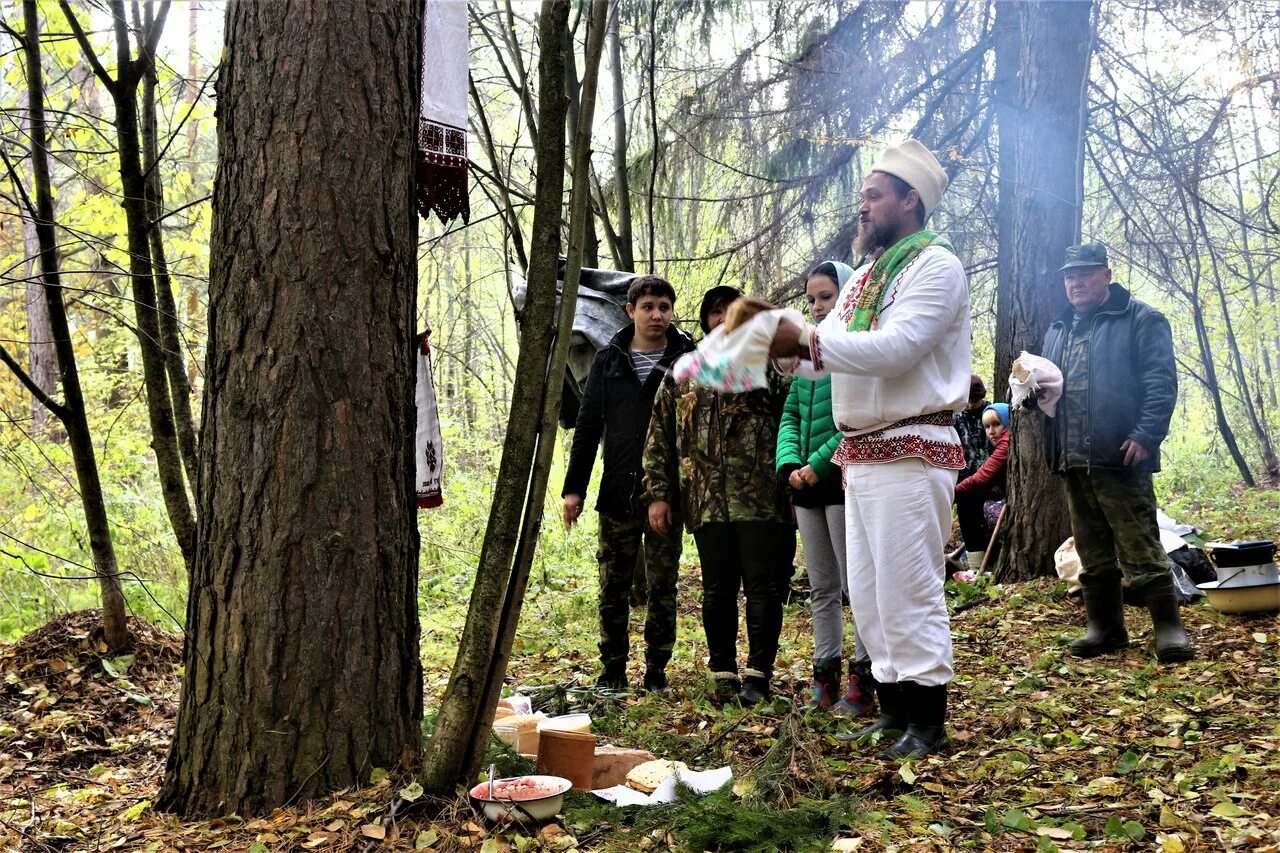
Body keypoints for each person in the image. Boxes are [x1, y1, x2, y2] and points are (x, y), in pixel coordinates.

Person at [769, 139, 970, 758]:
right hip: (862, 454)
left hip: (911, 447)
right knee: (870, 588)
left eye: (874, 196)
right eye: (863, 196)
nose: (863, 207)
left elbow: (900, 347)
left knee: (909, 585)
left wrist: (806, 343)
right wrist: (771, 343)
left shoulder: (937, 267)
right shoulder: (863, 282)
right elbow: (820, 353)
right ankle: (893, 710)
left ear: (910, 202)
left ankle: (927, 721)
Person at [1040, 243, 1191, 664]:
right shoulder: (1059, 328)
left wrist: (1146, 434)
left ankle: (1169, 629)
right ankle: (1106, 628)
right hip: (1071, 456)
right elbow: (1050, 386)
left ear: (1106, 274)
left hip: (1121, 454)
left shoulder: (1141, 318)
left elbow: (1161, 382)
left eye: (1085, 274)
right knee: (1090, 549)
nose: (1076, 282)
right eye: (1070, 276)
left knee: (1140, 544)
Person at [642, 285, 792, 706]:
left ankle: (759, 676)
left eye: (732, 312)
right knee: (717, 590)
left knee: (763, 588)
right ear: (705, 320)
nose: (722, 319)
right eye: (714, 312)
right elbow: (658, 441)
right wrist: (659, 494)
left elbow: (792, 421)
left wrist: (794, 486)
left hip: (762, 499)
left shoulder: (769, 367)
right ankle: (723, 672)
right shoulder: (682, 373)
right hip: (705, 502)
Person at [562, 275, 695, 691]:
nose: (657, 315)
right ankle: (613, 669)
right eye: (648, 306)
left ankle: (657, 668)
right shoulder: (609, 358)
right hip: (618, 488)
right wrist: (574, 489)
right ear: (630, 310)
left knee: (662, 584)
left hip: (668, 493)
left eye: (664, 307)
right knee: (613, 585)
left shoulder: (687, 358)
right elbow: (587, 426)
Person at [776, 261, 875, 718]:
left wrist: (818, 465)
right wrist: (793, 465)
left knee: (857, 585)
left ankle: (864, 677)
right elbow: (791, 416)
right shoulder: (805, 359)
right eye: (812, 299)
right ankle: (825, 679)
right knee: (822, 586)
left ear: (847, 295)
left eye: (827, 296)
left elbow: (857, 418)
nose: (818, 306)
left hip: (841, 482)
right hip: (807, 488)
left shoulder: (854, 350)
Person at [954, 403, 1010, 571]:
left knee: (967, 500)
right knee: (970, 501)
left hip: (1010, 504)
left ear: (1008, 422)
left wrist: (951, 493)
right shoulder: (1002, 442)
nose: (991, 431)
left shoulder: (1006, 442)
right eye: (987, 427)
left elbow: (981, 477)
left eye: (996, 425)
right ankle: (977, 561)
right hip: (1005, 498)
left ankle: (978, 564)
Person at [955, 375, 993, 481]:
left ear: (981, 397)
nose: (971, 405)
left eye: (974, 401)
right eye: (968, 401)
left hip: (989, 473)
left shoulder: (992, 413)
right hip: (963, 474)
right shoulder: (957, 416)